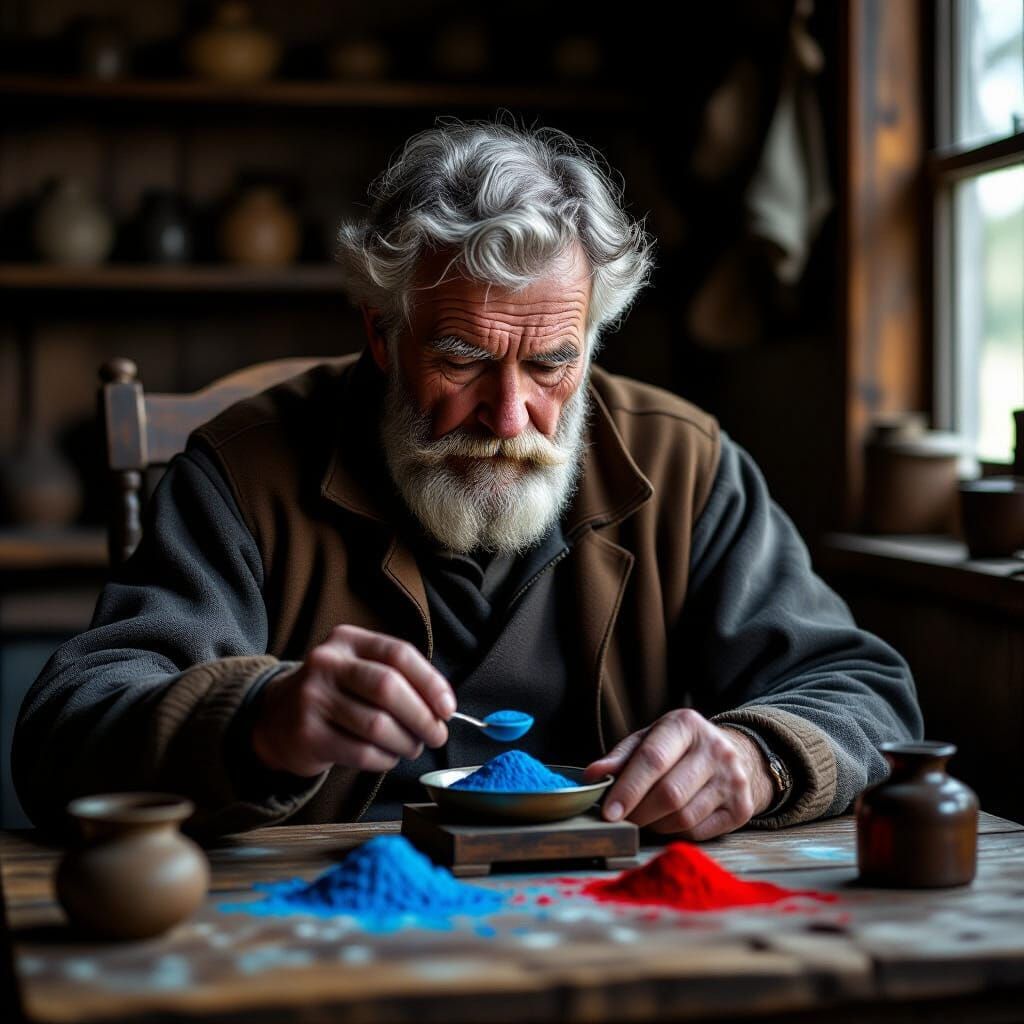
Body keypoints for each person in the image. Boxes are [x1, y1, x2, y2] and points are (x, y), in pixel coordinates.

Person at [14, 118, 922, 840]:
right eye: (462, 358)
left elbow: (868, 697)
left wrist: (757, 757)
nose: (510, 415)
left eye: (553, 364)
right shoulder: (246, 474)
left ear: (593, 339)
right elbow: (64, 734)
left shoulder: (683, 464)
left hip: (616, 929)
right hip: (320, 932)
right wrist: (257, 718)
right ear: (382, 334)